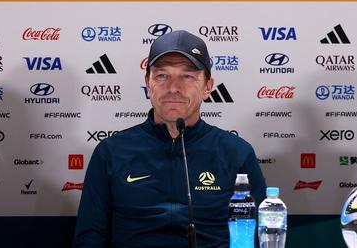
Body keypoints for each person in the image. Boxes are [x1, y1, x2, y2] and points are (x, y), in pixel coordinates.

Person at [73, 30, 266, 248]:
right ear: (148, 83)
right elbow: (89, 239)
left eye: (187, 76)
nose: (173, 88)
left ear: (208, 87)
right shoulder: (111, 151)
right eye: (162, 75)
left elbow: (258, 237)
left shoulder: (236, 153)